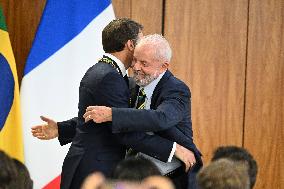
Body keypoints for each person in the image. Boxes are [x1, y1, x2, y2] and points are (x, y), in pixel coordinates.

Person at [31, 18, 194, 189]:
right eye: (141, 39)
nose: (138, 64)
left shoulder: (112, 73)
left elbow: (102, 118)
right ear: (131, 45)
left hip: (98, 165)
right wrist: (172, 149)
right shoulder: (110, 77)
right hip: (95, 169)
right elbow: (122, 130)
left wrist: (62, 129)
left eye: (144, 63)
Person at [83, 34, 202, 189]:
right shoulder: (131, 85)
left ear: (163, 67)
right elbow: (98, 115)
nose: (136, 67)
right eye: (135, 60)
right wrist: (60, 128)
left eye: (144, 63)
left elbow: (161, 118)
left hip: (173, 172)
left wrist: (112, 114)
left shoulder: (177, 90)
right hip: (130, 170)